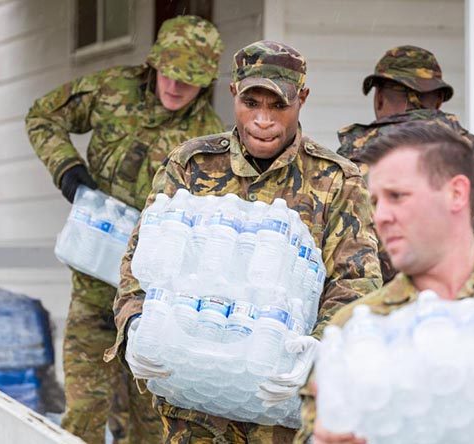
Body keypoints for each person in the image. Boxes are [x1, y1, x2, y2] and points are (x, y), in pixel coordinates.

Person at [103, 40, 382, 444]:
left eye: (278, 106)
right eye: (251, 103)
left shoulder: (336, 180)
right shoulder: (192, 165)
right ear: (233, 94)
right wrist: (135, 326)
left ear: (302, 99)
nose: (263, 120)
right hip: (194, 409)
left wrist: (317, 353)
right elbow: (139, 261)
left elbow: (356, 282)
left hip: (282, 412)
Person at [299, 121, 474, 444]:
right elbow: (312, 432)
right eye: (375, 202)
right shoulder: (356, 328)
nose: (380, 216)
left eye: (397, 196)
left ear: (456, 193)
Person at [24, 15, 225, 443]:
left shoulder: (209, 137)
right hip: (94, 293)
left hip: (155, 307)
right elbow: (42, 116)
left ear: (205, 82)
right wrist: (68, 170)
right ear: (155, 65)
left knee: (150, 428)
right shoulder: (114, 89)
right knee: (83, 417)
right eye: (168, 74)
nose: (173, 87)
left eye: (187, 81)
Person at [336, 45, 474, 282]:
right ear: (439, 100)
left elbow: (337, 270)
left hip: (393, 313)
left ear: (379, 98)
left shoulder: (354, 164)